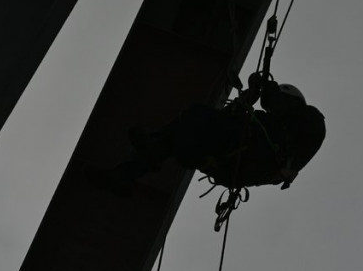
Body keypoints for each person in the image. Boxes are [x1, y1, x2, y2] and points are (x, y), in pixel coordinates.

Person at [87, 74, 325, 194]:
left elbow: (285, 114)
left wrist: (267, 90)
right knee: (182, 136)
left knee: (197, 115)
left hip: (245, 158)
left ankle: (151, 152)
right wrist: (246, 98)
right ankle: (127, 172)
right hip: (228, 162)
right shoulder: (270, 126)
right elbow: (229, 118)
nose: (272, 108)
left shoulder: (310, 122)